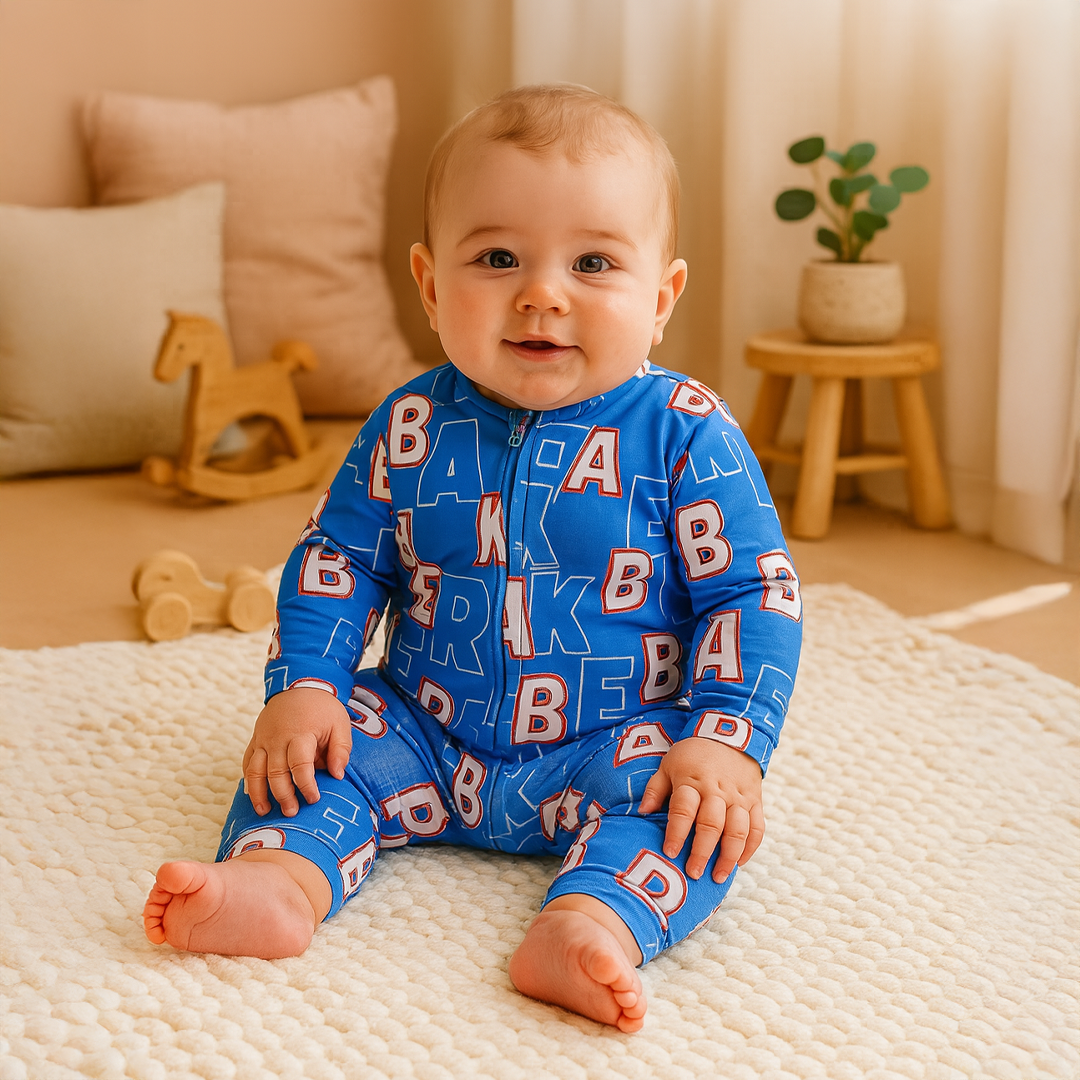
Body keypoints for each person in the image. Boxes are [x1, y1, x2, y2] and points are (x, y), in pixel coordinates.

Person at [143, 84, 802, 1033]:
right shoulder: (411, 424)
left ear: (659, 299)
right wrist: (309, 685)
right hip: (422, 726)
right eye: (498, 257)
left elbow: (753, 593)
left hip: (612, 740)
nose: (543, 291)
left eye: (593, 262)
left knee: (696, 814)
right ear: (429, 283)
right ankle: (279, 880)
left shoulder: (686, 433)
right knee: (315, 757)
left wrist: (727, 735)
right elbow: (339, 561)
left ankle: (589, 923)